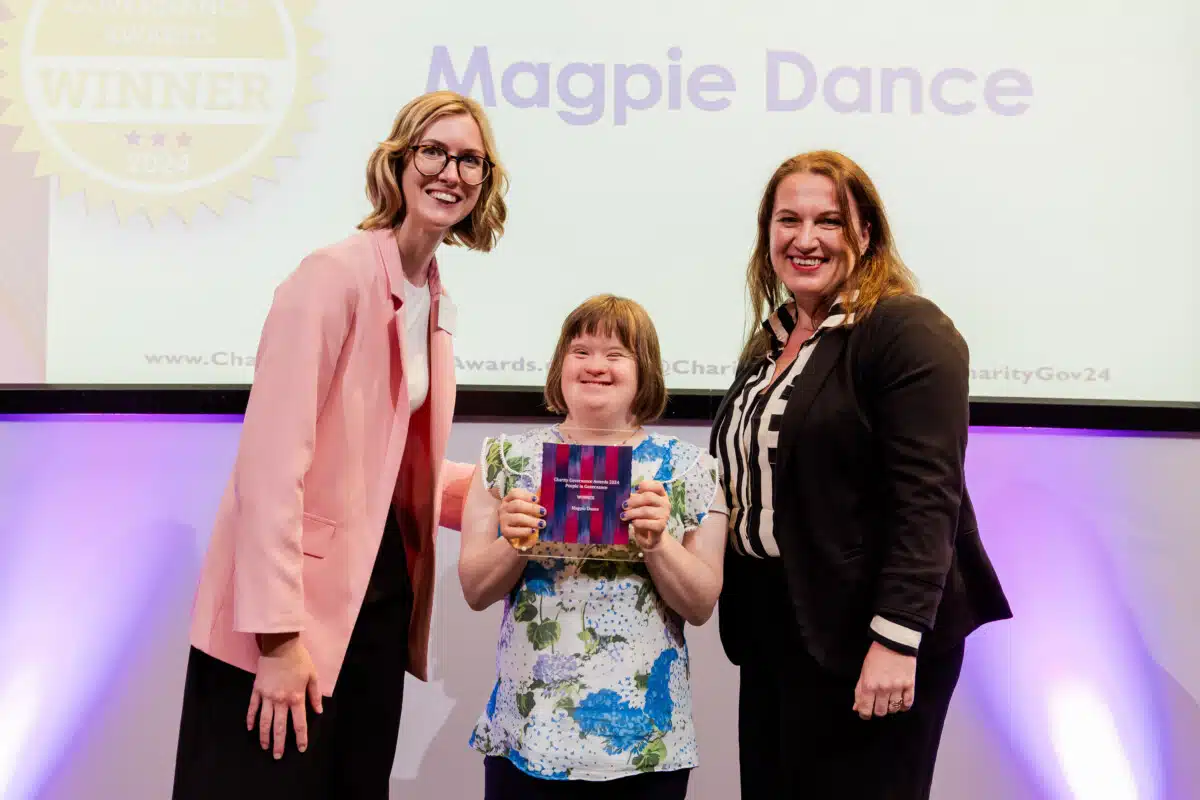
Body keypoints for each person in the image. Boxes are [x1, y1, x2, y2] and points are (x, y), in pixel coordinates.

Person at [171, 90, 509, 799]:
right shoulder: (334, 275)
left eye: (471, 159)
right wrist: (277, 638)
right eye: (434, 151)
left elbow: (387, 464)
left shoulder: (434, 297)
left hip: (374, 603)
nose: (452, 171)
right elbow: (270, 466)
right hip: (292, 616)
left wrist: (507, 490)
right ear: (399, 161)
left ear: (485, 181)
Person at [711, 150, 1013, 799]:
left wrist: (896, 640)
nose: (806, 238)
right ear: (767, 236)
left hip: (868, 634)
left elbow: (928, 498)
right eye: (788, 219)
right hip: (778, 626)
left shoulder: (906, 329)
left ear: (866, 234)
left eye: (830, 221)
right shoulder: (772, 341)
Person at [458, 295, 727, 800]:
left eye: (616, 353)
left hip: (645, 748)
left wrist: (658, 543)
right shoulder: (506, 459)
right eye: (581, 351)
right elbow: (474, 589)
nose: (596, 366)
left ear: (643, 371)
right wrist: (516, 543)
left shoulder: (691, 469)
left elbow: (700, 604)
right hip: (527, 735)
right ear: (561, 365)